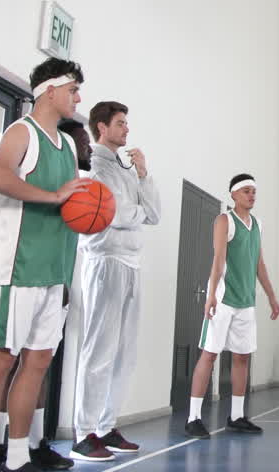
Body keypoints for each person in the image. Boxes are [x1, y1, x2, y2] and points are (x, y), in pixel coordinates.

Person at [0, 58, 88, 472]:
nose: (78, 97)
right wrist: (53, 196)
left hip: (54, 273)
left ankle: (19, 456)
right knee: (0, 359)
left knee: (37, 363)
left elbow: (72, 204)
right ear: (49, 91)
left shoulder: (70, 145)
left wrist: (91, 210)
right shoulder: (22, 131)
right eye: (73, 89)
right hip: (15, 269)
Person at [70, 101, 162, 460]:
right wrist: (132, 211)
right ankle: (83, 431)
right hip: (104, 260)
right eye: (121, 123)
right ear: (101, 127)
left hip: (131, 263)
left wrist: (143, 175)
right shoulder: (92, 165)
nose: (127, 129)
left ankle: (106, 426)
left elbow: (151, 214)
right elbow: (112, 214)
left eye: (127, 123)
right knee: (99, 348)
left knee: (125, 353)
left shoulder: (126, 169)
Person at [184, 174, 279, 439]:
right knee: (210, 354)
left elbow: (259, 263)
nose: (252, 195)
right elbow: (218, 258)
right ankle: (193, 417)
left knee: (242, 356)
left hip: (246, 302)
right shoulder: (224, 220)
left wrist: (271, 296)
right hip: (223, 300)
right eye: (247, 191)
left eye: (254, 191)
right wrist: (211, 295)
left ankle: (237, 416)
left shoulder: (257, 224)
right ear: (234, 194)